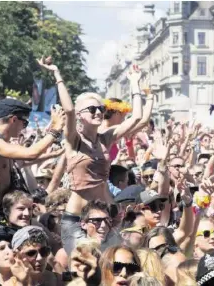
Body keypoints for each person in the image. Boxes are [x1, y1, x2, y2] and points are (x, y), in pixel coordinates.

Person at [37, 57, 143, 255]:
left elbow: (137, 117)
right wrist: (56, 73)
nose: (98, 112)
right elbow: (68, 109)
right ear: (79, 115)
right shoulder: (73, 140)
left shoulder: (106, 138)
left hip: (107, 215)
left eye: (101, 109)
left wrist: (135, 82)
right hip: (78, 218)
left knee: (108, 266)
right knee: (81, 266)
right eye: (92, 109)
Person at [0, 97, 65, 230]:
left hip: (3, 211)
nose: (24, 128)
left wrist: (54, 154)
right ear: (13, 119)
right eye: (24, 123)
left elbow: (24, 160)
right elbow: (31, 153)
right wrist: (55, 129)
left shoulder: (3, 145)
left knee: (46, 236)